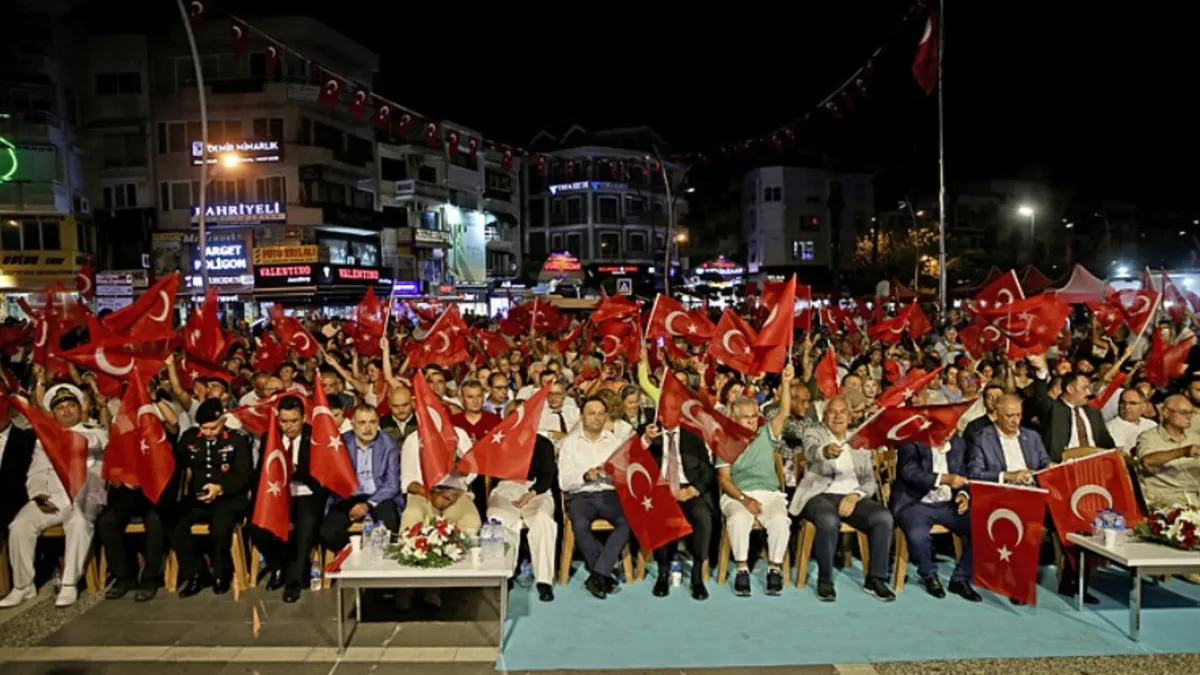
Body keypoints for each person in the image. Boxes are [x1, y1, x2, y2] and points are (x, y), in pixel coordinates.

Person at [1, 384, 108, 608]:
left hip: (85, 495)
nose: (67, 411)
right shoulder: (43, 441)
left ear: (81, 408)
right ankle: (23, 586)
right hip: (54, 497)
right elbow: (36, 473)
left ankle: (69, 584)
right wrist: (38, 494)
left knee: (79, 522)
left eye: (71, 406)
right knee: (20, 524)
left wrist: (58, 435)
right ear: (53, 413)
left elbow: (92, 442)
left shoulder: (96, 432)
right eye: (60, 408)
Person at [794, 396, 895, 603]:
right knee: (829, 520)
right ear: (824, 417)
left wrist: (854, 495)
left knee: (883, 517)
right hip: (819, 495)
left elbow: (869, 481)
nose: (837, 416)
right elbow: (812, 452)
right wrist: (825, 452)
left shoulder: (860, 441)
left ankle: (876, 579)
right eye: (832, 411)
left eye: (842, 412)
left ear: (850, 417)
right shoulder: (815, 433)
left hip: (852, 497)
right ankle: (825, 581)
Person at [719, 363, 795, 598]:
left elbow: (784, 413)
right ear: (734, 418)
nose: (751, 422)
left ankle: (774, 569)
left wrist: (785, 382)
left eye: (754, 417)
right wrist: (744, 499)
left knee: (780, 520)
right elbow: (724, 480)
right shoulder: (725, 440)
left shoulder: (765, 434)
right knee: (740, 518)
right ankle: (742, 569)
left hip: (769, 493)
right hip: (737, 495)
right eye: (745, 418)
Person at [170, 399, 254, 598]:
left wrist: (221, 488)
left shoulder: (237, 440)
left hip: (228, 498)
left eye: (212, 427)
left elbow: (245, 476)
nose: (207, 432)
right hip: (198, 498)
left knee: (219, 527)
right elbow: (175, 460)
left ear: (222, 420)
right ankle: (196, 572)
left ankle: (220, 572)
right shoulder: (191, 438)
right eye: (204, 428)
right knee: (175, 524)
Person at [253, 396, 328, 603]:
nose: (289, 426)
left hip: (306, 492)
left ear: (303, 418)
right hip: (277, 494)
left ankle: (294, 581)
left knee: (306, 523)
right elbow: (261, 471)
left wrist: (295, 471)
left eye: (294, 421)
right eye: (284, 421)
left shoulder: (315, 437)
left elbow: (321, 473)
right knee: (257, 526)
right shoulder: (270, 437)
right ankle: (278, 566)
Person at [890, 437, 981, 602]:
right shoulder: (911, 443)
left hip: (948, 504)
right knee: (918, 535)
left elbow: (964, 474)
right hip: (915, 503)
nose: (949, 431)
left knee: (982, 527)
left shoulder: (958, 443)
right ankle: (928, 575)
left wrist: (963, 494)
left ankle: (960, 578)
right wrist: (944, 479)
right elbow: (909, 472)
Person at [486, 401, 558, 603]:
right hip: (506, 488)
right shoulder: (497, 441)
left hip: (536, 490)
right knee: (498, 518)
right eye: (512, 415)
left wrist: (533, 492)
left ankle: (544, 581)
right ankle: (504, 575)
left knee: (543, 520)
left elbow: (548, 475)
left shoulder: (543, 444)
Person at [558, 396, 629, 599]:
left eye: (600, 414)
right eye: (591, 413)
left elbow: (625, 476)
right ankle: (603, 571)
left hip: (610, 494)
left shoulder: (614, 441)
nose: (596, 418)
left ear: (606, 416)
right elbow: (564, 482)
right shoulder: (570, 443)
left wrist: (611, 474)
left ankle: (598, 574)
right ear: (581, 417)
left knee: (627, 521)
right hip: (581, 496)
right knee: (579, 523)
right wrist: (585, 476)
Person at [646, 423, 717, 601]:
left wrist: (694, 490)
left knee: (702, 517)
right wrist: (646, 439)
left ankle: (697, 575)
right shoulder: (649, 433)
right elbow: (635, 464)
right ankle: (663, 573)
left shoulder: (694, 436)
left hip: (688, 490)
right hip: (660, 491)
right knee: (660, 516)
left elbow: (707, 470)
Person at [321, 404, 401, 551]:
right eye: (362, 423)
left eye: (372, 422)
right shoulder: (341, 443)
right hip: (348, 496)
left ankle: (382, 565)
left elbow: (392, 484)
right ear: (352, 424)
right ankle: (353, 558)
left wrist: (368, 504)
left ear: (378, 423)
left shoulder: (388, 443)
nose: (368, 428)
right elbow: (333, 480)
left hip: (379, 496)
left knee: (390, 521)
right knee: (328, 532)